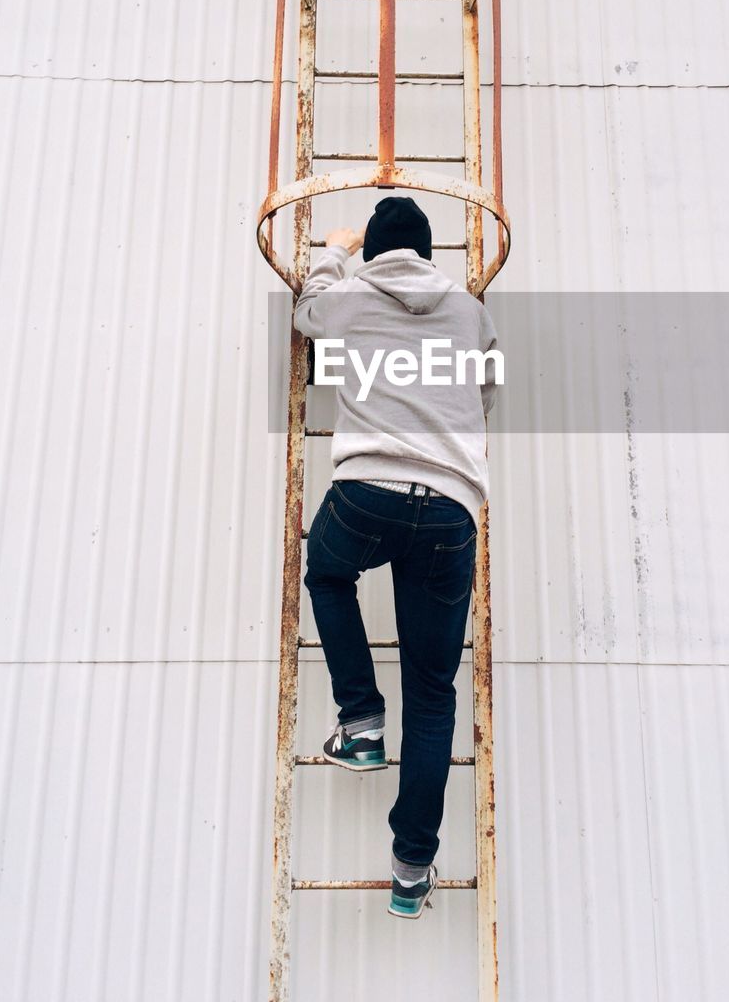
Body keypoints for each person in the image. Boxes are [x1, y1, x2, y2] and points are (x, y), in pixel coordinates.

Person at [292, 195, 500, 919]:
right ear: (431, 255)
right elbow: (488, 390)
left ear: (377, 252)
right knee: (436, 692)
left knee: (326, 570)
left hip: (368, 491)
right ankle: (412, 871)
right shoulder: (470, 311)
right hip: (449, 507)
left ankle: (361, 722)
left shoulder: (350, 295)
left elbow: (306, 309)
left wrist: (336, 251)